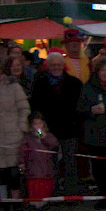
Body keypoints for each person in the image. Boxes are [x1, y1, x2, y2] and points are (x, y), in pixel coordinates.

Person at [29, 52, 83, 198]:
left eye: (58, 64)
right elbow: (34, 106)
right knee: (48, 163)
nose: (56, 67)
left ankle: (71, 193)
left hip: (70, 130)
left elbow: (80, 107)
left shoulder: (75, 83)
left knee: (70, 162)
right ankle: (52, 192)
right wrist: (39, 129)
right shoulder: (39, 83)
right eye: (53, 65)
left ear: (63, 65)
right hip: (47, 130)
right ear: (48, 66)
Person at [0, 58, 30, 211]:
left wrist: (22, 126)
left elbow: (24, 108)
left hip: (13, 130)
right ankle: (3, 200)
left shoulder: (13, 86)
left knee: (14, 169)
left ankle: (15, 200)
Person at [78, 55, 106, 209]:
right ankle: (104, 196)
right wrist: (91, 110)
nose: (105, 73)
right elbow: (80, 109)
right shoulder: (88, 88)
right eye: (102, 70)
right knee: (99, 169)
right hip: (95, 136)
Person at [18, 113, 58, 211]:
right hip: (33, 167)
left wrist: (43, 136)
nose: (38, 126)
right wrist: (21, 163)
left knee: (46, 186)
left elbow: (54, 144)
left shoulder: (48, 135)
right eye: (35, 124)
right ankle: (34, 204)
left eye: (39, 123)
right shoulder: (27, 138)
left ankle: (44, 204)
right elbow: (22, 151)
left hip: (46, 168)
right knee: (34, 186)